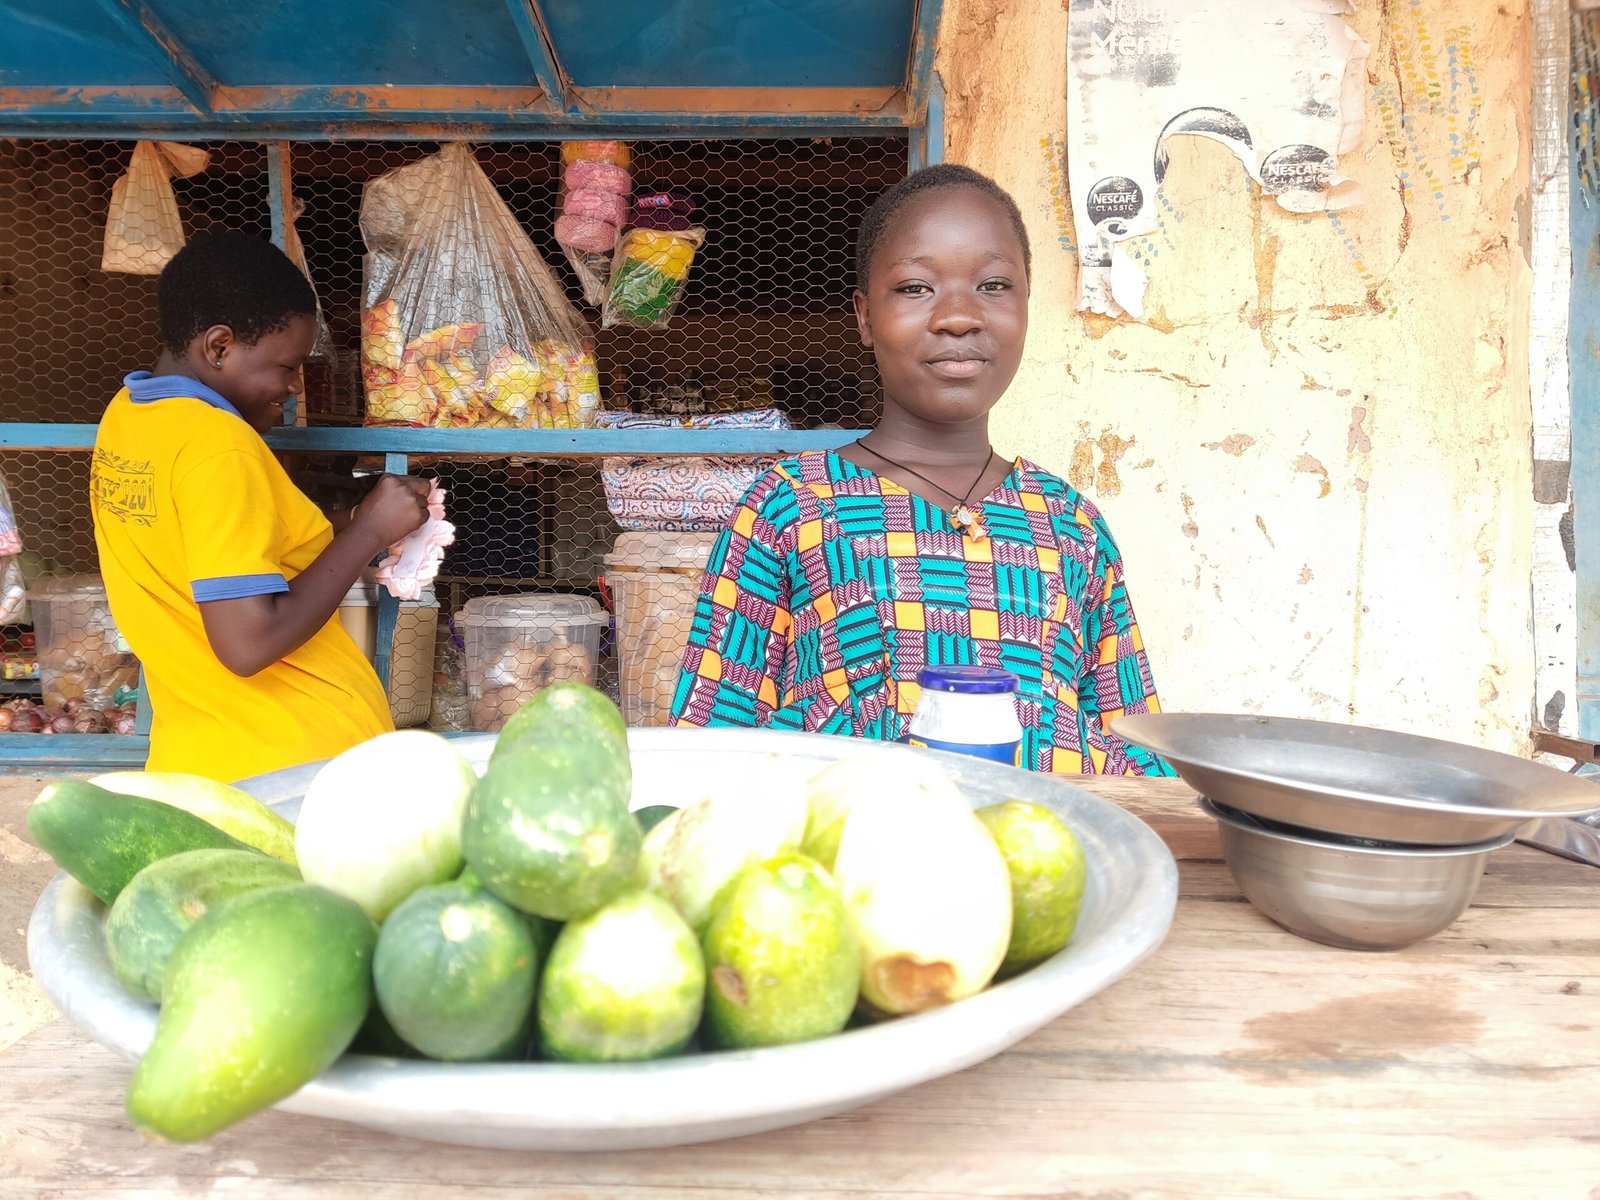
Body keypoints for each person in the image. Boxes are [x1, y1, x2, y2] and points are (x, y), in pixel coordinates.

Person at [669, 164, 1172, 776]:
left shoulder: (1071, 525)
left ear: (1027, 308)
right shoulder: (792, 505)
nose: (959, 316)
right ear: (863, 317)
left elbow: (1136, 757)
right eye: (915, 288)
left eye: (993, 285)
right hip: (853, 863)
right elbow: (707, 747)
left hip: (1045, 863)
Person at [90, 230, 432, 781]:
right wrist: (367, 533)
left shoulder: (129, 417)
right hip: (286, 767)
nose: (296, 385)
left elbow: (211, 544)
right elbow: (248, 644)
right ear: (219, 346)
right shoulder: (218, 446)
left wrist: (354, 526)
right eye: (288, 365)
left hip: (201, 755)